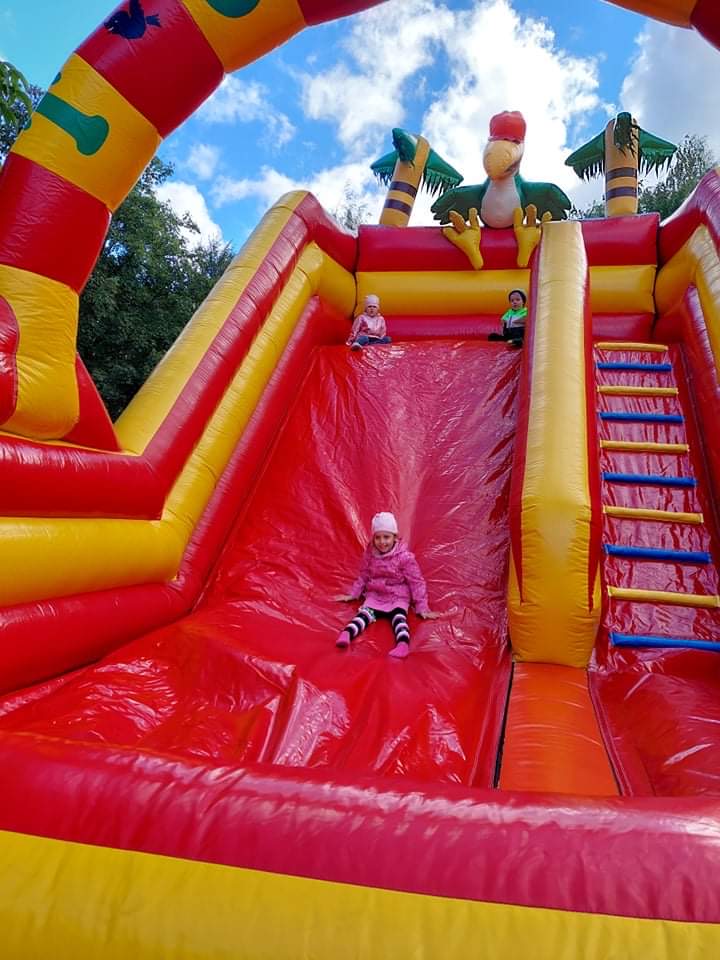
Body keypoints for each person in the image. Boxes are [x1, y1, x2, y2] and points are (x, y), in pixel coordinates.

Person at [334, 511, 439, 659]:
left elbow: (416, 581)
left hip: (397, 597)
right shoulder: (370, 554)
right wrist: (353, 594)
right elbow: (364, 575)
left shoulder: (404, 557)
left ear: (395, 537)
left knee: (399, 619)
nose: (382, 542)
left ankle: (402, 645)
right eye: (377, 537)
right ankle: (347, 634)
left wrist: (422, 607)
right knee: (363, 615)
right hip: (376, 595)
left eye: (386, 537)